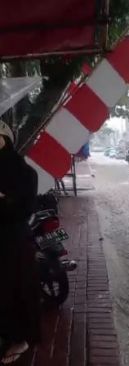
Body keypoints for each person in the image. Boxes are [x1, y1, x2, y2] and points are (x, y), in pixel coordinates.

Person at [0, 120, 41, 364]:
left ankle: (20, 339)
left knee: (17, 291)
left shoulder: (27, 174)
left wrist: (3, 201)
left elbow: (23, 211)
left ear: (6, 140)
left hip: (14, 244)